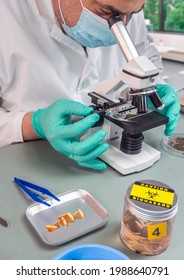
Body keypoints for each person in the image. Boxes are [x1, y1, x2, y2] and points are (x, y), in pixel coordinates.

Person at [0, 0, 180, 170]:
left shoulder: (127, 5)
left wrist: (154, 87)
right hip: (33, 158)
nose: (123, 24)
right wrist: (33, 124)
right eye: (107, 11)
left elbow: (145, 54)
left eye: (133, 13)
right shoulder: (7, 13)